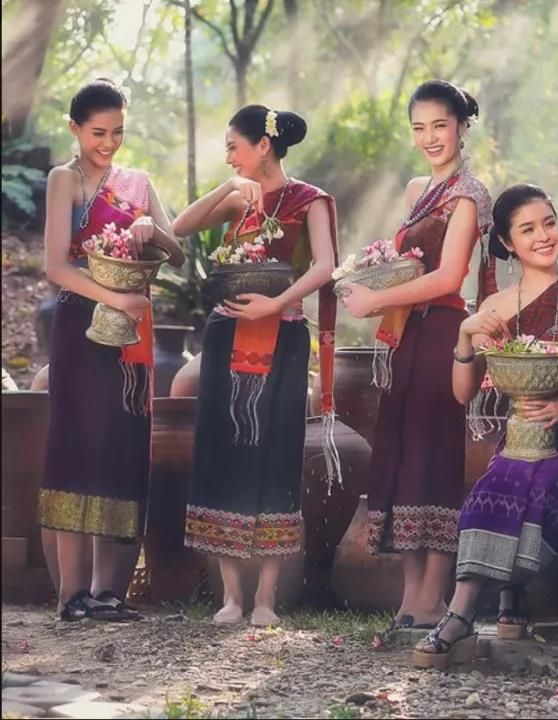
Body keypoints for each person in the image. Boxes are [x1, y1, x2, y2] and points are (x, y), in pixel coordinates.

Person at [411, 184, 558, 668]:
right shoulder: (496, 307)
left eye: (549, 223)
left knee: (544, 479)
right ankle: (462, 615)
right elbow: (463, 393)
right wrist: (464, 335)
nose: (543, 236)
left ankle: (506, 592)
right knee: (498, 482)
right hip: (522, 433)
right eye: (528, 229)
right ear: (506, 242)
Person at [175, 105, 339, 626]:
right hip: (227, 333)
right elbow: (179, 226)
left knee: (277, 451)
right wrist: (228, 188)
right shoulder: (238, 197)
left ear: (262, 145)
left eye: (234, 147)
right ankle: (230, 596)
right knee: (222, 451)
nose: (229, 156)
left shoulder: (310, 200)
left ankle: (265, 597)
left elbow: (326, 265)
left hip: (284, 333)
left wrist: (276, 303)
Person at [339, 80, 492, 632]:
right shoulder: (416, 191)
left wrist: (376, 299)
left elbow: (450, 277)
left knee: (435, 458)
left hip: (444, 334)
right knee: (403, 457)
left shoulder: (470, 195)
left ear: (461, 127)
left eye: (440, 126)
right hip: (405, 336)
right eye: (419, 128)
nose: (430, 138)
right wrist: (371, 279)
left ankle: (433, 598)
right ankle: (410, 597)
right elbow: (407, 263)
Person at [38, 78, 184, 621]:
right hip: (81, 326)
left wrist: (151, 228)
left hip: (131, 334)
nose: (108, 143)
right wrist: (116, 298)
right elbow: (56, 267)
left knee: (122, 446)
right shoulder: (64, 179)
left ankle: (107, 593)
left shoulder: (138, 182)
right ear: (74, 128)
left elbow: (177, 253)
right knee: (77, 445)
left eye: (118, 132)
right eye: (98, 132)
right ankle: (71, 594)